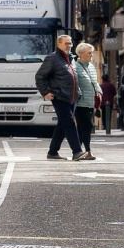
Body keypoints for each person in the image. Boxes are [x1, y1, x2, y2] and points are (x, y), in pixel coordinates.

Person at [35, 33, 85, 161]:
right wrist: (45, 92)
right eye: (66, 43)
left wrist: (78, 92)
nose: (69, 45)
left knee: (62, 124)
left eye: (70, 43)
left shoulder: (71, 58)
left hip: (72, 97)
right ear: (59, 44)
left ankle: (52, 152)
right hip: (59, 96)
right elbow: (40, 76)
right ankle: (77, 151)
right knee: (69, 122)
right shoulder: (52, 58)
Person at [74, 42, 100, 161]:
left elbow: (95, 82)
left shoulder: (91, 66)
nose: (91, 55)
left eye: (91, 53)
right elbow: (74, 83)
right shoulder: (75, 66)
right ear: (81, 54)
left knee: (84, 128)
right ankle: (86, 151)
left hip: (91, 102)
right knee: (86, 127)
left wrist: (99, 92)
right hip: (81, 103)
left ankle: (79, 151)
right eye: (89, 53)